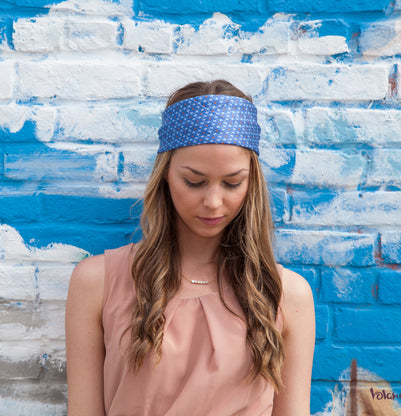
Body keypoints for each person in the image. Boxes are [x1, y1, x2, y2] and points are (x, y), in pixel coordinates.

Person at [65, 80, 315, 416]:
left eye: (232, 183)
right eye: (194, 181)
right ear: (165, 175)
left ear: (251, 181)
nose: (213, 202)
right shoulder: (96, 283)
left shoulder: (286, 295)